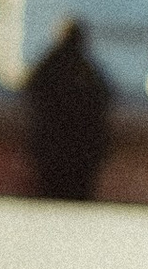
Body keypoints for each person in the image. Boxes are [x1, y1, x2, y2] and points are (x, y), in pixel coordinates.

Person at [22, 14, 113, 202]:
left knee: (50, 196)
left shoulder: (49, 65)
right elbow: (105, 95)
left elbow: (29, 87)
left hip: (51, 147)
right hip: (83, 152)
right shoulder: (87, 69)